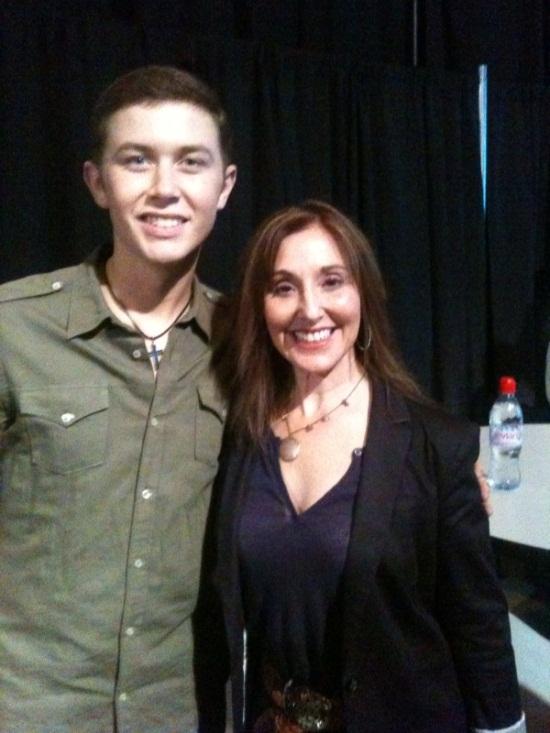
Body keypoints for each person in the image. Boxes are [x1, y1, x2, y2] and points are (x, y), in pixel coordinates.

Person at [212, 200, 524, 733]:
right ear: (261, 306)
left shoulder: (434, 445)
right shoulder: (242, 435)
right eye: (284, 287)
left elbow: (478, 624)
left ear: (364, 294)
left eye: (332, 281)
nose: (310, 309)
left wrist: (504, 726)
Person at [0, 66, 236, 732]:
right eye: (137, 160)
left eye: (190, 162)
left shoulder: (247, 343)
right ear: (97, 181)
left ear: (223, 187)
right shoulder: (12, 328)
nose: (165, 188)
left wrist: (438, 469)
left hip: (179, 712)